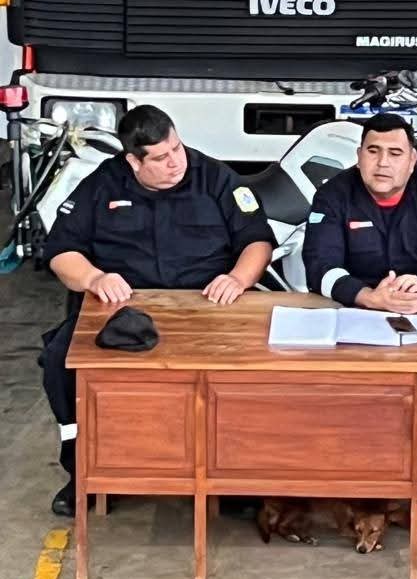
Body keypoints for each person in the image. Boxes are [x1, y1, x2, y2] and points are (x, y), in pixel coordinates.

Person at [41, 105, 274, 515]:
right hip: (124, 308)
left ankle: (236, 477)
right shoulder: (103, 184)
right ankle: (85, 472)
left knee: (253, 370)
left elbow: (257, 240)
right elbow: (61, 252)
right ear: (134, 161)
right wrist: (94, 278)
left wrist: (239, 278)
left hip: (207, 307)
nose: (175, 162)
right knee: (61, 364)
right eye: (162, 158)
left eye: (177, 149)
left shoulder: (214, 177)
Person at [302, 112, 417, 310]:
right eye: (373, 151)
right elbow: (319, 267)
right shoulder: (332, 196)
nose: (383, 162)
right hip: (353, 309)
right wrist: (367, 297)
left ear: (412, 159)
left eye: (395, 153)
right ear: (359, 156)